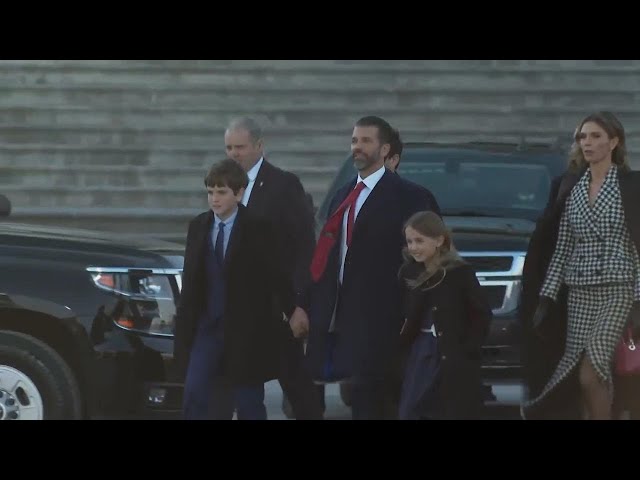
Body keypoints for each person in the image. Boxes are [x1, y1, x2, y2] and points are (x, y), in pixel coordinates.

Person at [305, 115, 441, 420]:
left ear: (384, 150)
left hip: (389, 323)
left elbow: (429, 260)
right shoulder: (343, 197)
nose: (358, 147)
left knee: (385, 403)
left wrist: (411, 313)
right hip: (347, 323)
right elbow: (327, 258)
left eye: (366, 141)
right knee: (362, 401)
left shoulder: (411, 196)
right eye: (354, 141)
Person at [522, 111, 640, 420]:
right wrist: (546, 297)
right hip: (579, 292)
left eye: (596, 136)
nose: (587, 143)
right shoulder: (570, 186)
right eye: (582, 137)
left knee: (591, 371)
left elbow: (638, 246)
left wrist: (639, 299)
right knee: (581, 371)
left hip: (618, 289)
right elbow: (562, 248)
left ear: (614, 142)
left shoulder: (631, 186)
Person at [173, 159, 298, 420]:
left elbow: (276, 274)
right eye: (210, 192)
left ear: (239, 193)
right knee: (194, 393)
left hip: (245, 330)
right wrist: (183, 326)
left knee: (248, 400)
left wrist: (293, 308)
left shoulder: (258, 228)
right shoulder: (198, 227)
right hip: (207, 327)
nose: (214, 199)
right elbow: (192, 279)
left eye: (221, 192)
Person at [224, 117, 324, 419]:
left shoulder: (283, 185)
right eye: (229, 147)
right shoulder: (224, 186)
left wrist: (299, 304)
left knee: (298, 388)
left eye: (240, 147)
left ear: (259, 146)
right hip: (243, 313)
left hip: (280, 308)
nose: (233, 154)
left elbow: (305, 246)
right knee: (247, 396)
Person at [397, 211, 491, 419]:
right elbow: (402, 310)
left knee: (448, 408)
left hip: (450, 352)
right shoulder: (409, 272)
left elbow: (481, 314)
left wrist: (469, 348)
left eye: (419, 241)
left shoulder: (459, 273)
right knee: (412, 407)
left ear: (439, 240)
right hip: (421, 351)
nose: (413, 247)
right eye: (410, 241)